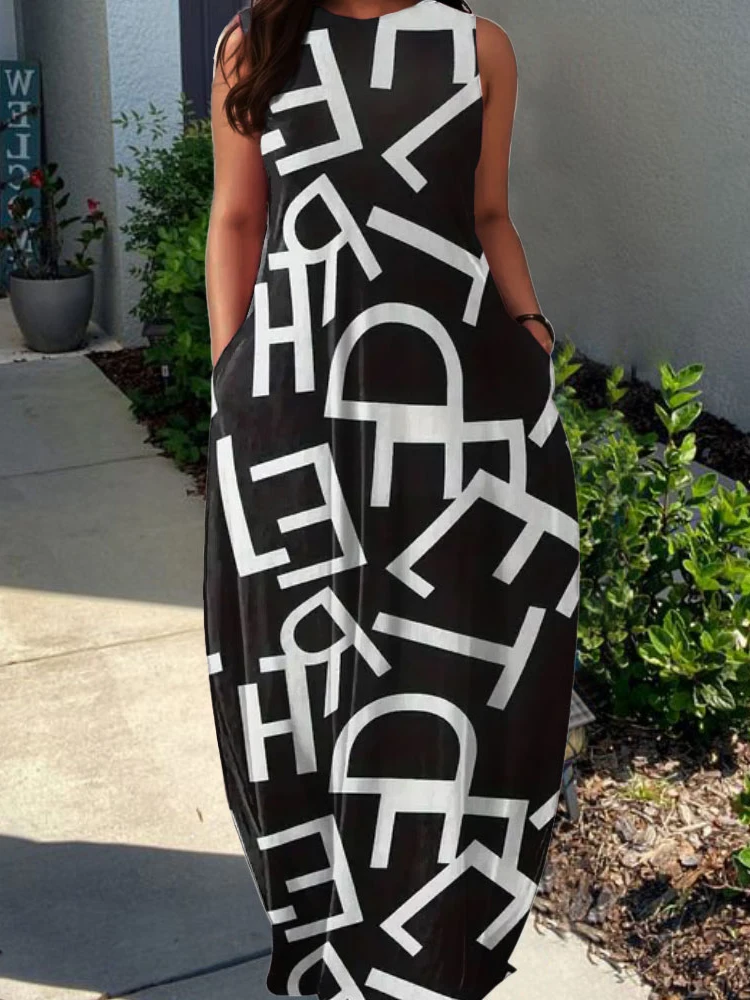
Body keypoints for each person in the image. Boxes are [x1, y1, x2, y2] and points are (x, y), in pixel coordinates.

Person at [202, 2, 580, 997]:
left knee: (446, 666)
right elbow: (237, 219)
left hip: (454, 411)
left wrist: (531, 331)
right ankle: (325, 941)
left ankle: (433, 942)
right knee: (303, 672)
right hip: (297, 411)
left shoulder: (476, 49)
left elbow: (487, 216)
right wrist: (232, 377)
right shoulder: (256, 44)